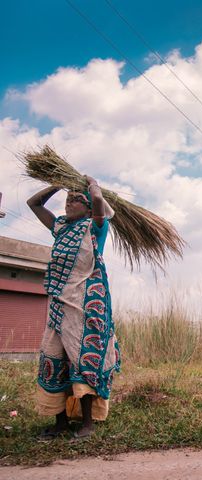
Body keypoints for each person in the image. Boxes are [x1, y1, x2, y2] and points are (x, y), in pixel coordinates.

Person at [27, 176, 120, 440]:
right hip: (59, 306)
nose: (70, 201)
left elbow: (100, 200)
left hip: (86, 305)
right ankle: (61, 423)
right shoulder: (60, 227)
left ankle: (88, 424)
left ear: (89, 208)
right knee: (54, 358)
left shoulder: (95, 227)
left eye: (77, 199)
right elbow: (33, 203)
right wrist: (57, 182)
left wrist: (92, 184)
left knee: (82, 358)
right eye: (68, 198)